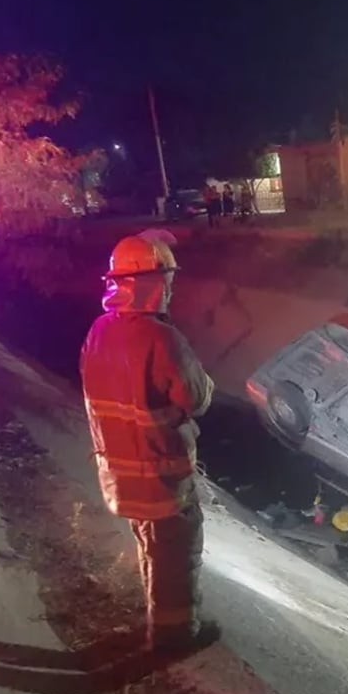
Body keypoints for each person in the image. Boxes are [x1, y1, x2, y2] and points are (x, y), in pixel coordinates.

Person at [80, 232, 219, 654]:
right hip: (162, 477)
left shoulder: (99, 331)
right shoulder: (161, 339)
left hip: (119, 476)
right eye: (167, 281)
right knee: (176, 556)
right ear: (151, 283)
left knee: (152, 551)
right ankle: (174, 639)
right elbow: (196, 397)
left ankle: (160, 623)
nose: (171, 289)